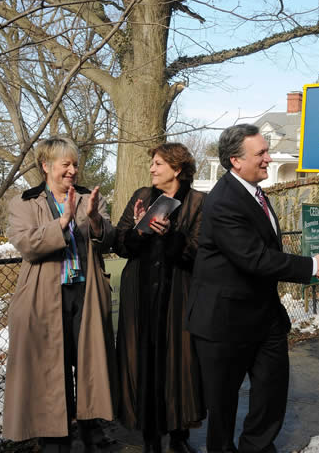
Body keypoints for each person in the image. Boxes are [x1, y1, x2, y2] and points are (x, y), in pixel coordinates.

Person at [185, 124, 319, 453]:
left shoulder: (257, 193)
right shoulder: (223, 201)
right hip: (223, 322)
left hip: (264, 320)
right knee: (222, 410)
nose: (269, 158)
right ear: (235, 161)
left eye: (267, 151)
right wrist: (310, 266)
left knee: (271, 395)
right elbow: (254, 258)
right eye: (261, 153)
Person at [3, 136, 117, 452]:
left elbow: (108, 238)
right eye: (65, 164)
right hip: (42, 300)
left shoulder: (88, 198)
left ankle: (92, 432)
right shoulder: (24, 202)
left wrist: (93, 218)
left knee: (91, 367)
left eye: (75, 164)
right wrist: (63, 221)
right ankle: (55, 440)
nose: (72, 170)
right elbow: (28, 244)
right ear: (46, 166)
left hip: (86, 295)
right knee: (49, 373)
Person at [114, 143, 206, 453]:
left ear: (177, 169)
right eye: (152, 163)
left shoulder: (197, 202)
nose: (152, 169)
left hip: (178, 293)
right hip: (139, 293)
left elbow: (197, 252)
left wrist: (169, 235)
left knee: (179, 362)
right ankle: (149, 437)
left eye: (158, 164)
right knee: (142, 361)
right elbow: (121, 244)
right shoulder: (141, 196)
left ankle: (179, 436)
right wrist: (139, 231)